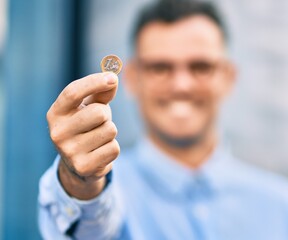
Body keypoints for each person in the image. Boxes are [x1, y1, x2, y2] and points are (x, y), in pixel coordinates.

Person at [38, 0, 288, 239]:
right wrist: (80, 181)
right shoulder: (109, 188)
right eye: (160, 68)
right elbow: (88, 228)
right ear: (133, 78)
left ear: (228, 77)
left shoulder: (280, 205)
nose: (181, 85)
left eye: (200, 67)